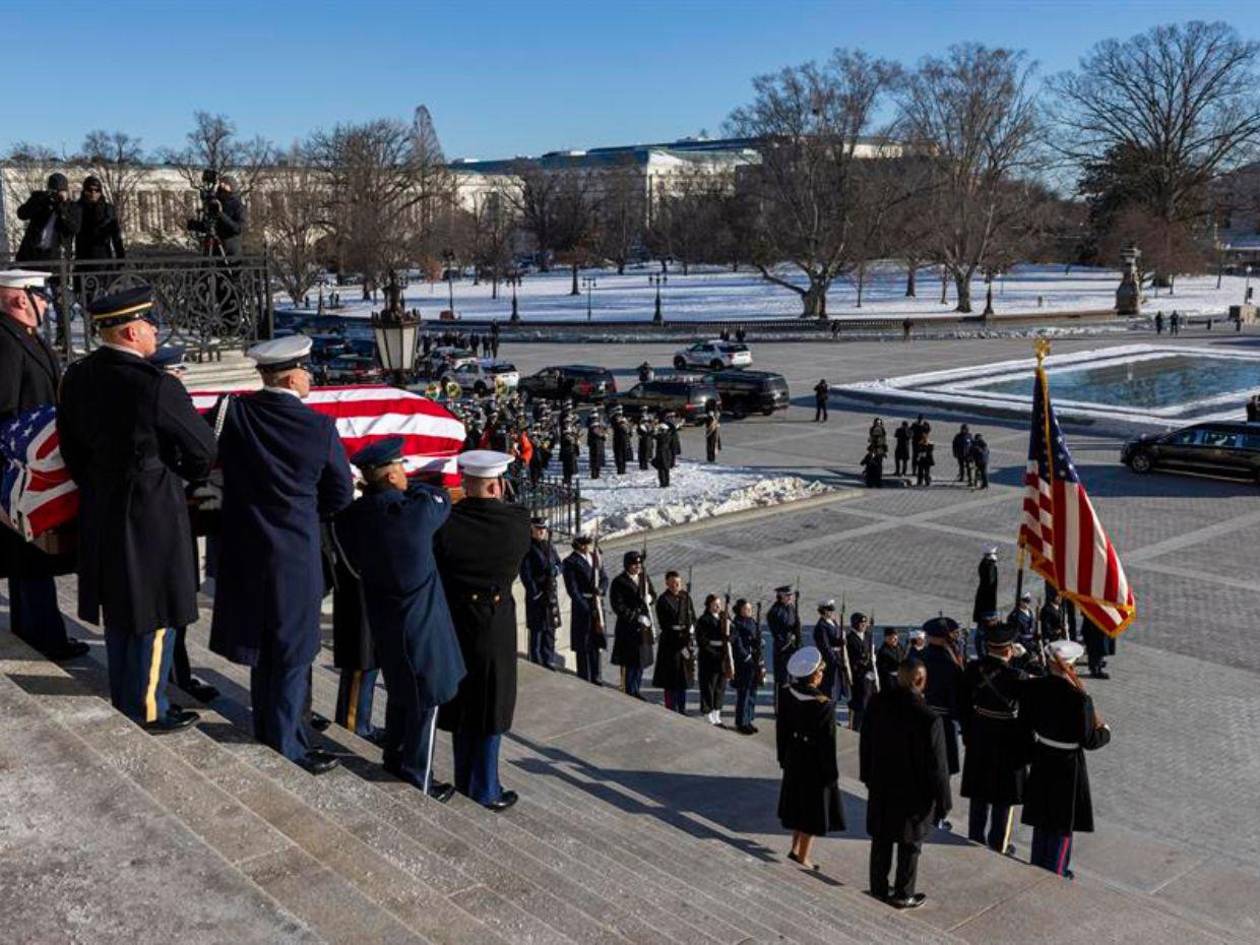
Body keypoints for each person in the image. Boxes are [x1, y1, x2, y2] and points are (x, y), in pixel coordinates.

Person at [57, 287, 215, 731]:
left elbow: (70, 448)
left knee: (123, 607)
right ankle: (149, 707)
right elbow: (203, 450)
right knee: (157, 609)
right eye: (149, 325)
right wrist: (177, 471)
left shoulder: (77, 376)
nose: (155, 332)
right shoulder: (157, 385)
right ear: (131, 330)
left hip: (101, 503)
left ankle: (126, 696)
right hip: (152, 508)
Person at [208, 335, 354, 772]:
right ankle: (289, 744)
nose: (311, 378)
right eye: (307, 371)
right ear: (292, 377)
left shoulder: (233, 415)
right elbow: (341, 494)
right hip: (294, 553)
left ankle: (267, 727)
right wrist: (306, 516)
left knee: (263, 647)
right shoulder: (319, 429)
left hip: (245, 550)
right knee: (292, 650)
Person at [331, 437, 466, 801]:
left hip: (384, 620)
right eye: (401, 468)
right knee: (426, 704)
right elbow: (437, 498)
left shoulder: (350, 520)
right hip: (421, 625)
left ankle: (394, 758)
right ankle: (418, 776)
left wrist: (379, 488)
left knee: (401, 694)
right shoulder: (414, 515)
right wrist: (410, 486)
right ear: (391, 476)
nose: (406, 473)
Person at [434, 450, 531, 811]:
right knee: (492, 703)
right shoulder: (516, 523)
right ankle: (486, 787)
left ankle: (464, 777)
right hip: (494, 621)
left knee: (464, 702)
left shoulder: (446, 523)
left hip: (456, 618)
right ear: (498, 484)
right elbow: (517, 512)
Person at [0, 270, 87, 661]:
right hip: (23, 464)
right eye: (42, 296)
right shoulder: (5, 342)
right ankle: (43, 636)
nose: (48, 304)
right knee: (30, 555)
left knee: (28, 555)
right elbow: (5, 409)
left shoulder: (23, 337)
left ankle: (36, 629)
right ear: (21, 300)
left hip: (34, 462)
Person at [148, 344, 218, 705]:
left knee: (177, 602)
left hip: (164, 507)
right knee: (173, 602)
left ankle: (178, 675)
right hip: (168, 508)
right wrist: (191, 477)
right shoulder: (166, 399)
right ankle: (172, 681)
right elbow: (198, 451)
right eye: (178, 372)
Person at [860, 659, 952, 909]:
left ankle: (878, 888)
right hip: (914, 794)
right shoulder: (929, 718)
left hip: (881, 786)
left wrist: (867, 776)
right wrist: (944, 802)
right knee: (910, 844)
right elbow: (938, 768)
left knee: (881, 839)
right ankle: (903, 893)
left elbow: (865, 744)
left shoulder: (877, 703)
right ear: (921, 681)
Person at [1021, 639, 1111, 877]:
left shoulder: (1034, 688)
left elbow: (1025, 724)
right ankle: (1057, 870)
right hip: (1067, 764)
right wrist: (1106, 732)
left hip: (1042, 756)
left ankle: (1037, 862)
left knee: (1042, 818)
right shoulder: (1080, 699)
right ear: (1071, 665)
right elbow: (1090, 740)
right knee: (1062, 822)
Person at [959, 618, 1031, 855]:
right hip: (1007, 741)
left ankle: (975, 836)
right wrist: (1025, 659)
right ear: (1009, 650)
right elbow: (1028, 710)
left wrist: (969, 734)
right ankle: (998, 844)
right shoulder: (1017, 676)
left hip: (980, 735)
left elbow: (963, 707)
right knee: (1004, 798)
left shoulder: (972, 669)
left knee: (979, 794)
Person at [777, 646, 844, 870]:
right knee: (813, 810)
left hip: (794, 753)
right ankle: (802, 856)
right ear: (815, 675)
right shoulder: (823, 704)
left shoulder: (787, 692)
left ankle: (795, 848)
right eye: (820, 671)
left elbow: (782, 728)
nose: (822, 675)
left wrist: (783, 756)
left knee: (797, 803)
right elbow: (828, 743)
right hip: (814, 760)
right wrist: (831, 773)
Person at [919, 616, 965, 785]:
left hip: (926, 715)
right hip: (944, 718)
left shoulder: (923, 655)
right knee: (941, 767)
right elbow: (956, 692)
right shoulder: (946, 661)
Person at [562, 533, 609, 685]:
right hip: (583, 606)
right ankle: (584, 676)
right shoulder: (570, 562)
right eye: (584, 544)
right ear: (577, 545)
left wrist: (601, 590)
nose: (587, 547)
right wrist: (584, 606)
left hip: (596, 603)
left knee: (596, 641)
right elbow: (572, 589)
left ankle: (596, 675)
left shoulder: (595, 557)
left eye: (588, 544)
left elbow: (604, 578)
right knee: (583, 643)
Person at [609, 549, 655, 698]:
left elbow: (653, 594)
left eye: (639, 564)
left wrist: (650, 598)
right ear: (627, 565)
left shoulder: (643, 577)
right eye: (634, 564)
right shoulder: (619, 582)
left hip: (643, 626)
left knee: (641, 661)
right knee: (631, 662)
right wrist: (635, 617)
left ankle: (637, 689)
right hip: (628, 628)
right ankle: (630, 690)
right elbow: (618, 606)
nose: (637, 567)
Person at [519, 516, 562, 670]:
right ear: (532, 530)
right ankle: (537, 660)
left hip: (550, 592)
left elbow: (559, 563)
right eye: (538, 529)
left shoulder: (549, 546)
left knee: (550, 628)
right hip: (538, 594)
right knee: (537, 630)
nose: (542, 531)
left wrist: (555, 570)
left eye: (543, 529)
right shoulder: (528, 548)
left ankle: (548, 658)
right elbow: (526, 574)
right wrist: (535, 593)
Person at [652, 570, 694, 714]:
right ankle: (671, 707)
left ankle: (682, 707)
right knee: (670, 678)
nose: (676, 585)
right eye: (673, 583)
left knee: (683, 677)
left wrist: (692, 628)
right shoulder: (663, 600)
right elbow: (664, 624)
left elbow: (691, 615)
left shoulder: (685, 596)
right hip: (671, 643)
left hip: (685, 640)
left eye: (678, 583)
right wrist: (679, 637)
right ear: (667, 583)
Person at [15, 173, 81, 262]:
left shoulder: (73, 207)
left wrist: (61, 207)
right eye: (53, 191)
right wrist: (40, 201)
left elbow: (74, 228)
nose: (56, 195)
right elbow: (22, 214)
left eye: (60, 191)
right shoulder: (41, 201)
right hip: (31, 255)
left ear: (66, 192)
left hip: (56, 258)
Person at [187, 173, 245, 257]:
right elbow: (210, 226)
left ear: (232, 187)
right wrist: (195, 225)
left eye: (225, 183)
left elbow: (237, 229)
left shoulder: (237, 205)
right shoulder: (216, 202)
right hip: (215, 250)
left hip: (230, 252)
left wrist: (221, 214)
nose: (221, 185)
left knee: (229, 270)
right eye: (221, 183)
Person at [74, 176, 126, 262]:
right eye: (90, 190)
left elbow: (116, 236)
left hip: (104, 258)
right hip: (83, 259)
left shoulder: (108, 209)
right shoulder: (77, 208)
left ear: (100, 192)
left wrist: (121, 258)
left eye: (97, 190)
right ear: (85, 191)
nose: (93, 193)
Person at [695, 594, 728, 726]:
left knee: (720, 686)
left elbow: (734, 632)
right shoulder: (704, 620)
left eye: (719, 604)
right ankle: (707, 711)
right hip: (709, 657)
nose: (718, 606)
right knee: (709, 685)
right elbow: (702, 641)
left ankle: (717, 712)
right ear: (709, 606)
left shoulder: (724, 617)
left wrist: (730, 639)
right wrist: (714, 653)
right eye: (715, 604)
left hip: (723, 657)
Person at [766, 586, 800, 711]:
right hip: (782, 649)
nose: (791, 598)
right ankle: (779, 708)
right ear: (781, 596)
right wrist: (786, 642)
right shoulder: (774, 612)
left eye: (791, 596)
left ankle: (790, 706)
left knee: (792, 678)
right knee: (782, 679)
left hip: (791, 647)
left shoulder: (790, 607)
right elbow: (777, 633)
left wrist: (797, 638)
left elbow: (796, 623)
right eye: (788, 596)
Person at [730, 598, 761, 734]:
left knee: (752, 692)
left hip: (754, 660)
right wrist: (746, 656)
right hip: (744, 662)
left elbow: (755, 638)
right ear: (740, 610)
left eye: (750, 609)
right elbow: (737, 644)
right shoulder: (736, 623)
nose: (749, 611)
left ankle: (749, 719)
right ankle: (741, 722)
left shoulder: (752, 621)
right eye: (746, 609)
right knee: (744, 693)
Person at [812, 599, 846, 708]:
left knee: (836, 688)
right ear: (823, 611)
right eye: (829, 611)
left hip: (836, 656)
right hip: (829, 660)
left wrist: (839, 642)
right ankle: (827, 712)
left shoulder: (832, 622)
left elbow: (833, 638)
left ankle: (832, 712)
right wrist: (834, 660)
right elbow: (825, 647)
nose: (831, 613)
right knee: (828, 687)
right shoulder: (821, 626)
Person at [844, 611, 875, 731]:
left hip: (869, 675)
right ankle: (856, 728)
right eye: (861, 623)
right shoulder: (850, 638)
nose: (864, 625)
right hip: (858, 676)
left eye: (865, 623)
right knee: (860, 703)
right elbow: (850, 658)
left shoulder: (867, 635)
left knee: (869, 701)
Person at [1080, 614, 1115, 679]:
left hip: (1095, 616)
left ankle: (1096, 664)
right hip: (1096, 617)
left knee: (1097, 640)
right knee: (1097, 641)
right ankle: (1095, 668)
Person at [972, 548, 998, 633]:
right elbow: (991, 581)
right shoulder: (989, 566)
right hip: (987, 602)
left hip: (984, 600)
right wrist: (992, 565)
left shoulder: (985, 564)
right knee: (985, 627)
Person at [874, 626, 903, 693]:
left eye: (896, 637)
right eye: (892, 638)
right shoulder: (883, 651)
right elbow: (882, 669)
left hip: (900, 679)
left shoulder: (899, 647)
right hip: (889, 682)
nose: (895, 639)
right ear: (887, 638)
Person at [652, 416, 673, 488]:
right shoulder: (668, 435)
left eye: (660, 429)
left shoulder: (661, 436)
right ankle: (667, 483)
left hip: (661, 454)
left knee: (661, 470)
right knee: (666, 469)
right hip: (667, 453)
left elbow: (653, 435)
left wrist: (655, 428)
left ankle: (663, 483)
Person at [611, 408, 631, 474]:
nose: (619, 416)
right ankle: (620, 470)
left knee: (624, 455)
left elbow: (628, 430)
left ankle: (623, 469)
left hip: (624, 440)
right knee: (619, 455)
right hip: (618, 440)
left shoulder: (624, 421)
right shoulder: (614, 420)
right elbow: (614, 424)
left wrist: (626, 425)